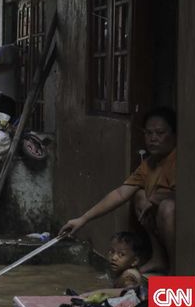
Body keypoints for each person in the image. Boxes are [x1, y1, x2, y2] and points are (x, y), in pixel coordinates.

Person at [59, 107, 176, 274]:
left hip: (179, 225)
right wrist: (83, 219)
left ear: (173, 135)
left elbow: (184, 193)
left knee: (167, 207)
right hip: (159, 225)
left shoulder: (179, 158)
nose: (153, 138)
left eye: (160, 133)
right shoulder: (149, 164)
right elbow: (121, 193)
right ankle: (159, 258)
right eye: (149, 133)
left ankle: (175, 269)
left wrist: (156, 200)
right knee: (140, 196)